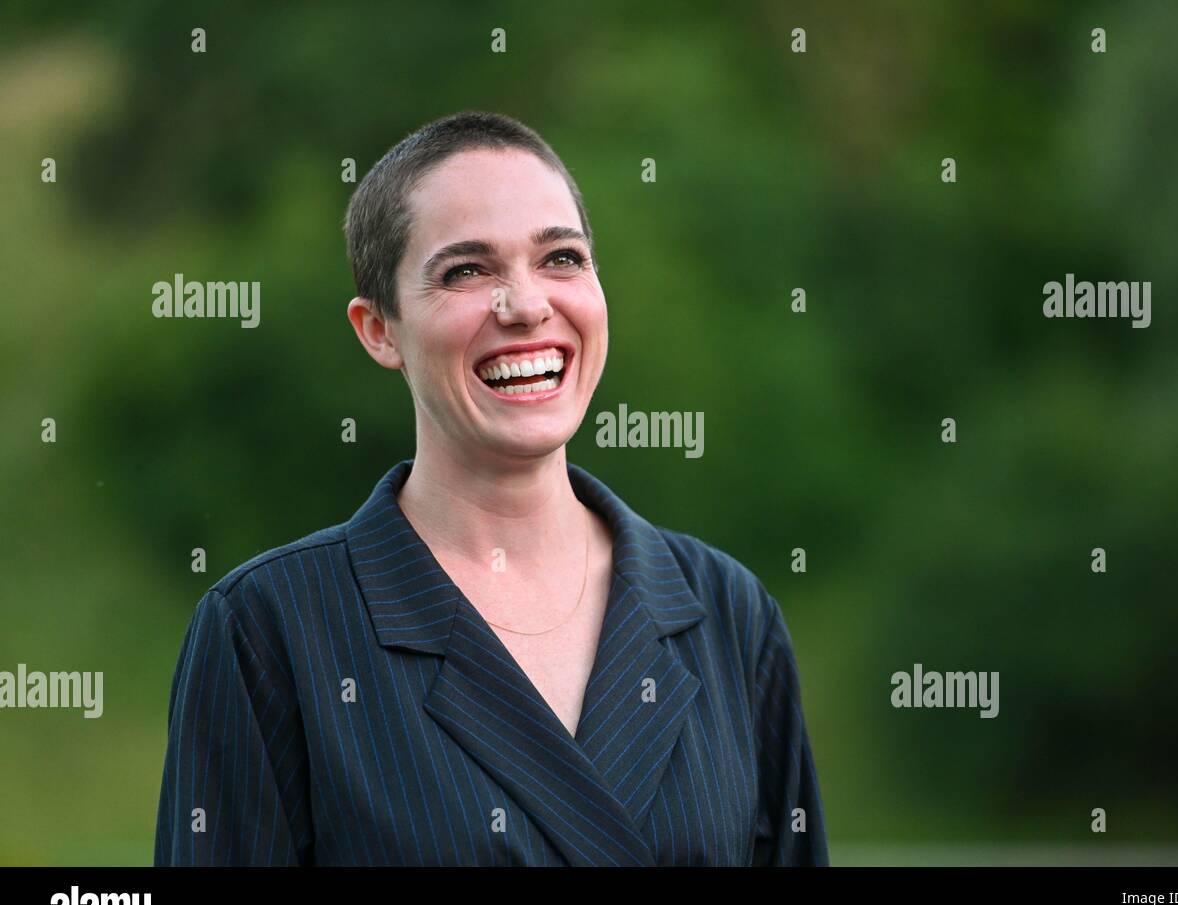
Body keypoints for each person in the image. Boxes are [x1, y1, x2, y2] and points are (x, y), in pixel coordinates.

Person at [154, 110, 828, 866]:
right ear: (379, 329)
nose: (527, 305)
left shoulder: (729, 615)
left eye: (562, 259)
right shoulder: (269, 630)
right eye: (466, 271)